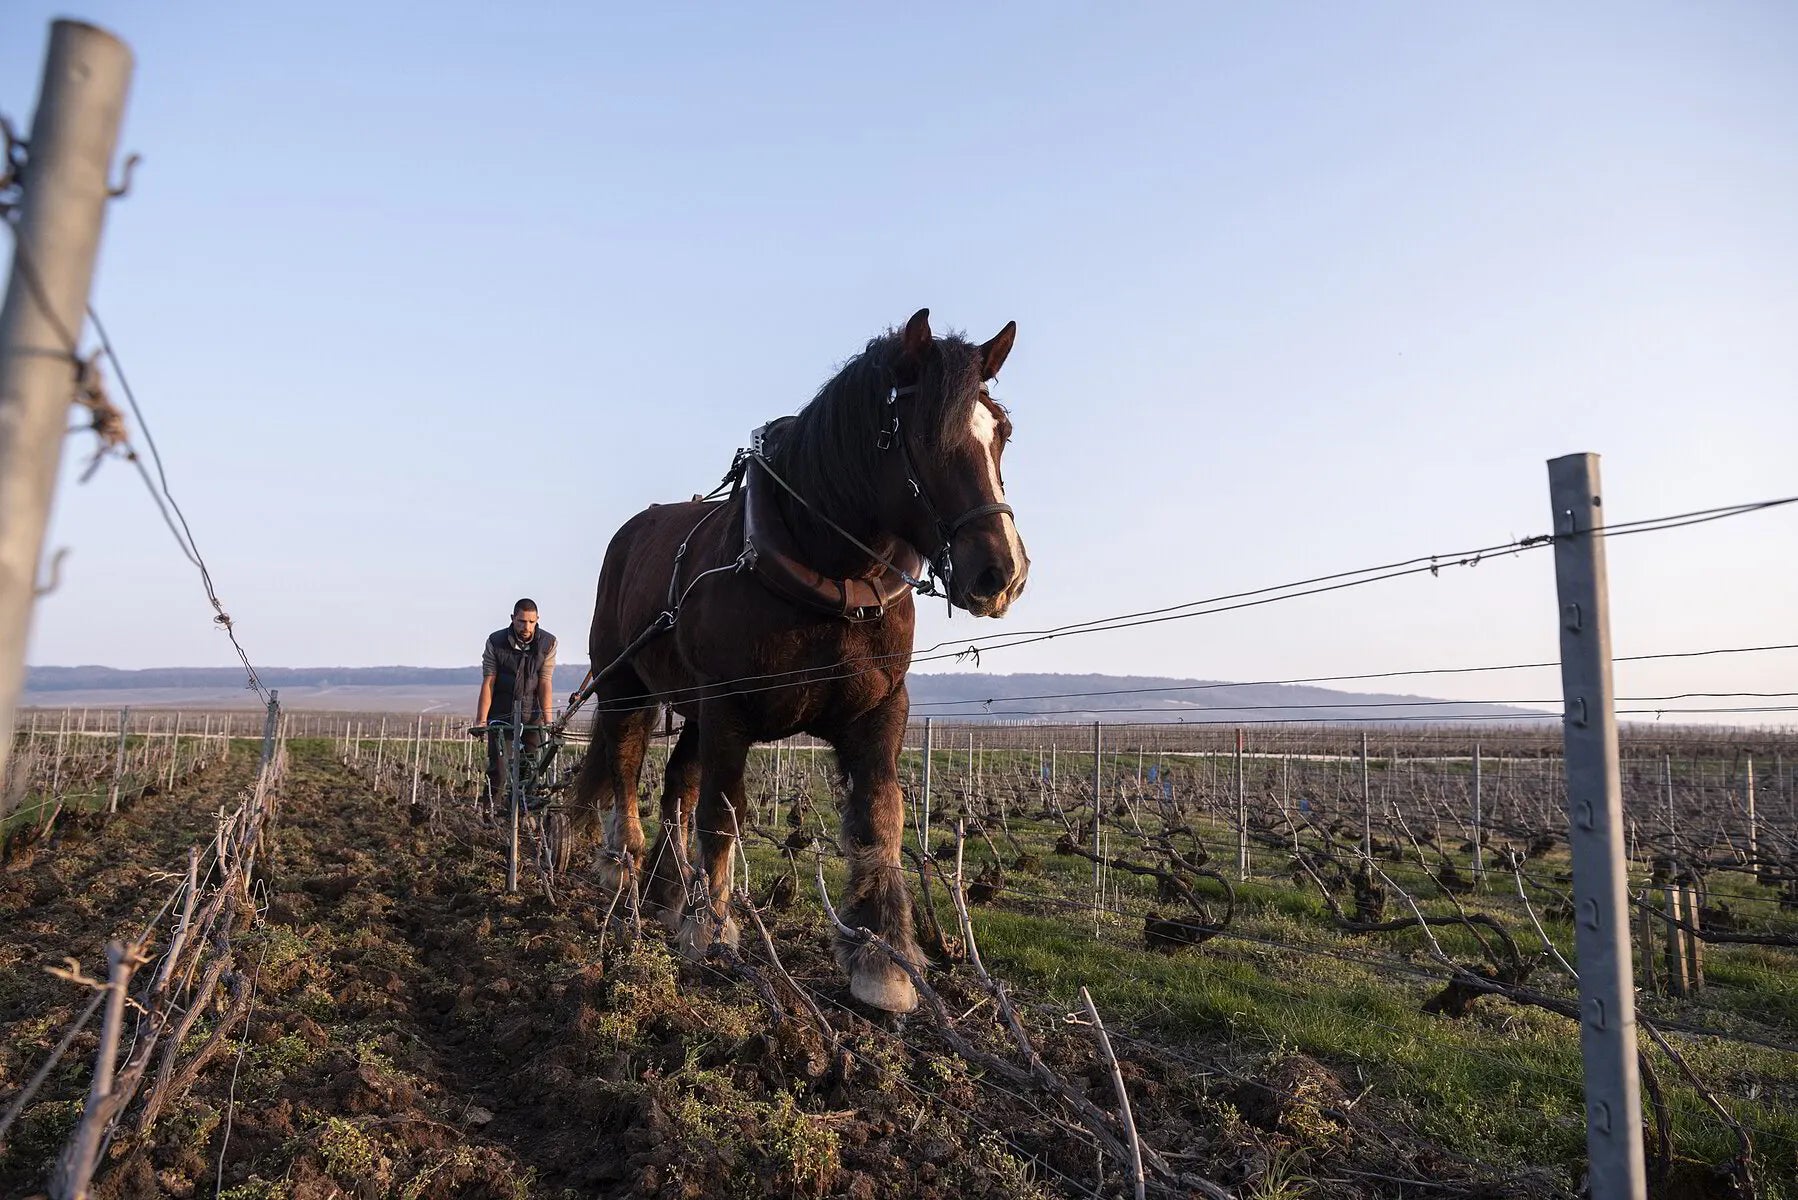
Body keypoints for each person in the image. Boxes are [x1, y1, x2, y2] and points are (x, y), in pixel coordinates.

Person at [473, 599, 557, 806]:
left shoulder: (548, 643)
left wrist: (548, 721)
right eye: (521, 621)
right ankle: (489, 815)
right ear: (513, 619)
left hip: (531, 716)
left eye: (531, 622)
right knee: (499, 771)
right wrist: (481, 720)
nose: (526, 627)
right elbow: (489, 681)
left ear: (537, 620)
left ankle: (523, 814)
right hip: (501, 715)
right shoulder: (496, 641)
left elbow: (545, 682)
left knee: (530, 770)